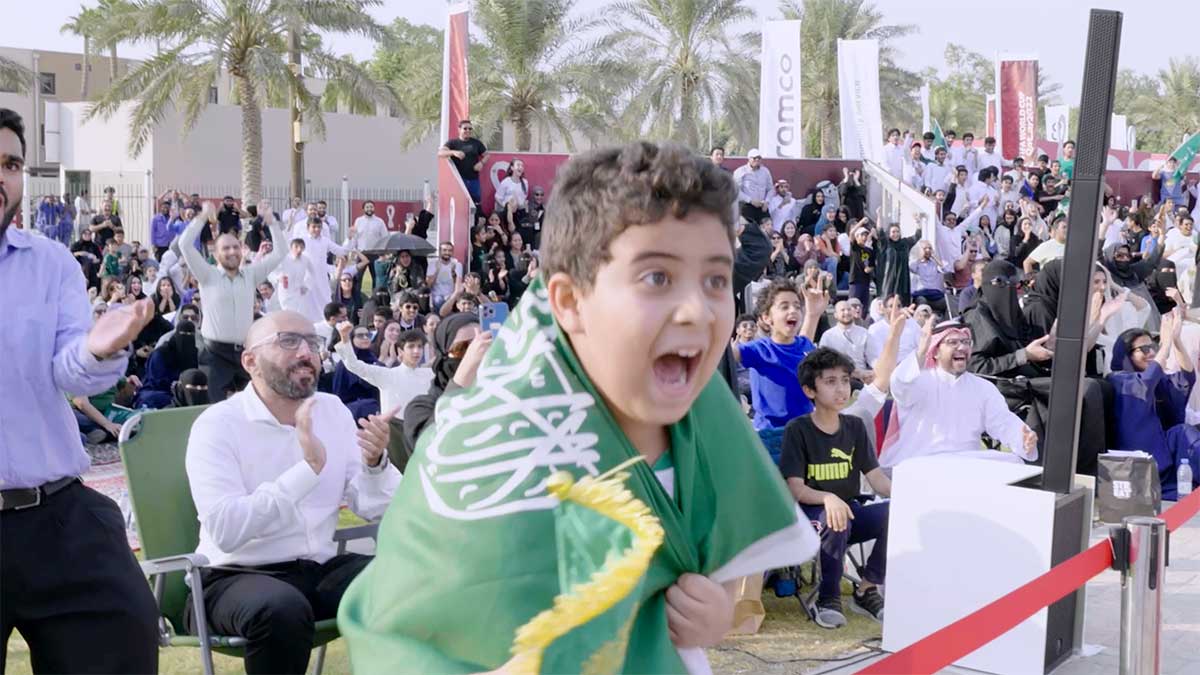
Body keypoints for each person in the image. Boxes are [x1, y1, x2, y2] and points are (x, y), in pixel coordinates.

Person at [339, 142, 816, 673]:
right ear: (568, 301)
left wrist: (715, 609)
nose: (696, 310)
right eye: (657, 277)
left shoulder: (706, 420)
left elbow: (723, 527)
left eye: (716, 280)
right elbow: (407, 615)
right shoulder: (489, 442)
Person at [0, 108, 159, 673]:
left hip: (57, 516)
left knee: (126, 634)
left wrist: (98, 349)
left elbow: (71, 370)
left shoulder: (51, 264)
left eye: (11, 163)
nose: (2, 175)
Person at [184, 311, 400, 674]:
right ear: (250, 361)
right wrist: (306, 471)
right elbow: (226, 530)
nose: (306, 352)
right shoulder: (217, 425)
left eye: (312, 343)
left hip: (317, 571)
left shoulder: (332, 411)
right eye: (288, 341)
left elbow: (378, 507)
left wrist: (376, 463)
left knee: (408, 578)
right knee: (281, 607)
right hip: (233, 577)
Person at [782, 348, 891, 628]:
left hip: (850, 513)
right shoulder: (798, 430)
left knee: (896, 512)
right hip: (810, 518)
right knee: (835, 517)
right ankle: (828, 598)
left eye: (844, 380)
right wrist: (828, 497)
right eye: (830, 382)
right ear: (810, 391)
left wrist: (911, 496)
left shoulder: (854, 426)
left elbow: (877, 479)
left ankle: (867, 588)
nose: (841, 389)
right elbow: (794, 488)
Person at [879, 319, 1038, 468]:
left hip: (965, 461)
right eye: (952, 342)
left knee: (1013, 463)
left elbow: (1003, 421)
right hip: (923, 460)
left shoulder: (983, 388)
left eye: (965, 342)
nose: (961, 347)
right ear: (935, 351)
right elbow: (900, 384)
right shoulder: (919, 380)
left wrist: (1024, 439)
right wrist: (920, 352)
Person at [180, 200, 286, 402]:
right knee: (214, 408)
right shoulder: (207, 275)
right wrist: (202, 217)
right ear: (216, 254)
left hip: (246, 353)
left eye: (235, 247)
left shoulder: (250, 275)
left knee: (259, 405)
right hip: (214, 354)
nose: (232, 252)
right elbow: (184, 245)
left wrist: (271, 222)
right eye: (226, 248)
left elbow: (280, 252)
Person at [1108, 310, 1200, 499]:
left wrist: (1176, 340)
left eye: (1153, 347)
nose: (1151, 353)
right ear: (1126, 354)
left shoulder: (1153, 377)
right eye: (1143, 349)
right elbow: (1144, 384)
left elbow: (1185, 378)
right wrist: (1164, 344)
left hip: (1162, 448)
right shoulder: (1119, 379)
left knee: (1184, 432)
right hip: (1140, 459)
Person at [732, 277, 825, 440]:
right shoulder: (758, 349)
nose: (793, 310)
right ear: (767, 317)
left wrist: (813, 314)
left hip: (805, 431)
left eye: (797, 306)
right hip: (771, 435)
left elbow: (804, 343)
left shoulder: (804, 344)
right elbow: (728, 354)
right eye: (784, 306)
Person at [334, 322, 433, 471]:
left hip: (423, 430)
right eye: (411, 347)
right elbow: (354, 366)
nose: (416, 351)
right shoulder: (387, 375)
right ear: (400, 351)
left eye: (419, 347)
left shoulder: (429, 375)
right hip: (395, 434)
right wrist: (345, 338)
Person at [820, 300, 872, 382]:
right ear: (835, 315)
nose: (847, 312)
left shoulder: (864, 333)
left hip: (862, 378)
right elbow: (824, 362)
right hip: (838, 378)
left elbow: (872, 358)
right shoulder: (828, 336)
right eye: (842, 310)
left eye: (849, 309)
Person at [438, 119, 488, 204]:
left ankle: (476, 217)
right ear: (459, 129)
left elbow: (487, 155)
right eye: (465, 128)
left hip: (473, 180)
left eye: (470, 129)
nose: (468, 130)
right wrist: (454, 152)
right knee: (460, 203)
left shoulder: (476, 143)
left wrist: (481, 163)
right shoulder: (453, 143)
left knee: (476, 202)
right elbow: (440, 153)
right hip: (459, 180)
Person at [347, 200, 389, 290]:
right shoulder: (358, 221)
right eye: (367, 207)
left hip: (375, 254)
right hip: (362, 253)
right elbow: (355, 237)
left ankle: (375, 299)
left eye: (371, 207)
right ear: (363, 209)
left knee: (376, 278)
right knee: (357, 279)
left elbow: (385, 237)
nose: (369, 209)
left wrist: (384, 252)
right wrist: (353, 251)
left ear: (374, 208)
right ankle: (357, 301)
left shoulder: (379, 221)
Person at [732, 148, 773, 226]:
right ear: (749, 158)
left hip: (762, 206)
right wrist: (750, 200)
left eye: (759, 158)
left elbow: (770, 189)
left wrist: (767, 202)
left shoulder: (765, 171)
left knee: (768, 228)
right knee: (749, 231)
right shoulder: (740, 171)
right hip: (747, 206)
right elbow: (736, 191)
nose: (757, 160)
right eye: (754, 158)